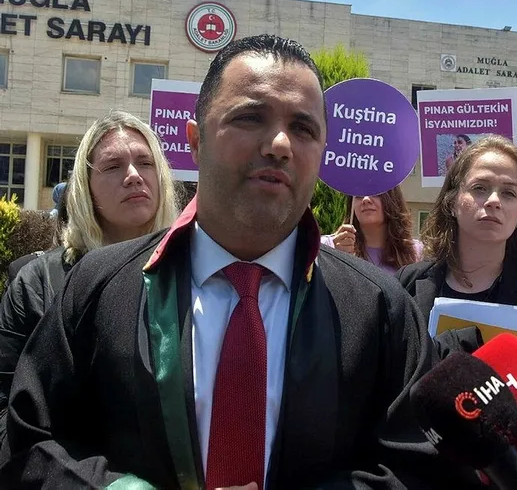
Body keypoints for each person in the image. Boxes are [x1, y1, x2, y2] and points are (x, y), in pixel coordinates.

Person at [0, 34, 462, 490]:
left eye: (304, 129)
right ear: (195, 141)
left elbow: (418, 466)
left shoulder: (379, 308)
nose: (279, 143)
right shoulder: (99, 289)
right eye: (250, 117)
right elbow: (28, 444)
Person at [0, 110, 179, 444]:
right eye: (113, 166)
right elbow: (6, 415)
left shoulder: (192, 274)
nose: (133, 176)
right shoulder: (37, 283)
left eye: (146, 163)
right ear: (86, 188)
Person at [397, 134, 517, 363]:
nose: (494, 200)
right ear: (452, 202)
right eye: (479, 188)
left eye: (509, 193)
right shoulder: (408, 283)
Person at [322, 186, 422, 273]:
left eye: (375, 192)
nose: (366, 199)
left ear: (393, 199)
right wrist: (335, 259)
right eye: (359, 194)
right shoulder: (326, 247)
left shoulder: (416, 252)